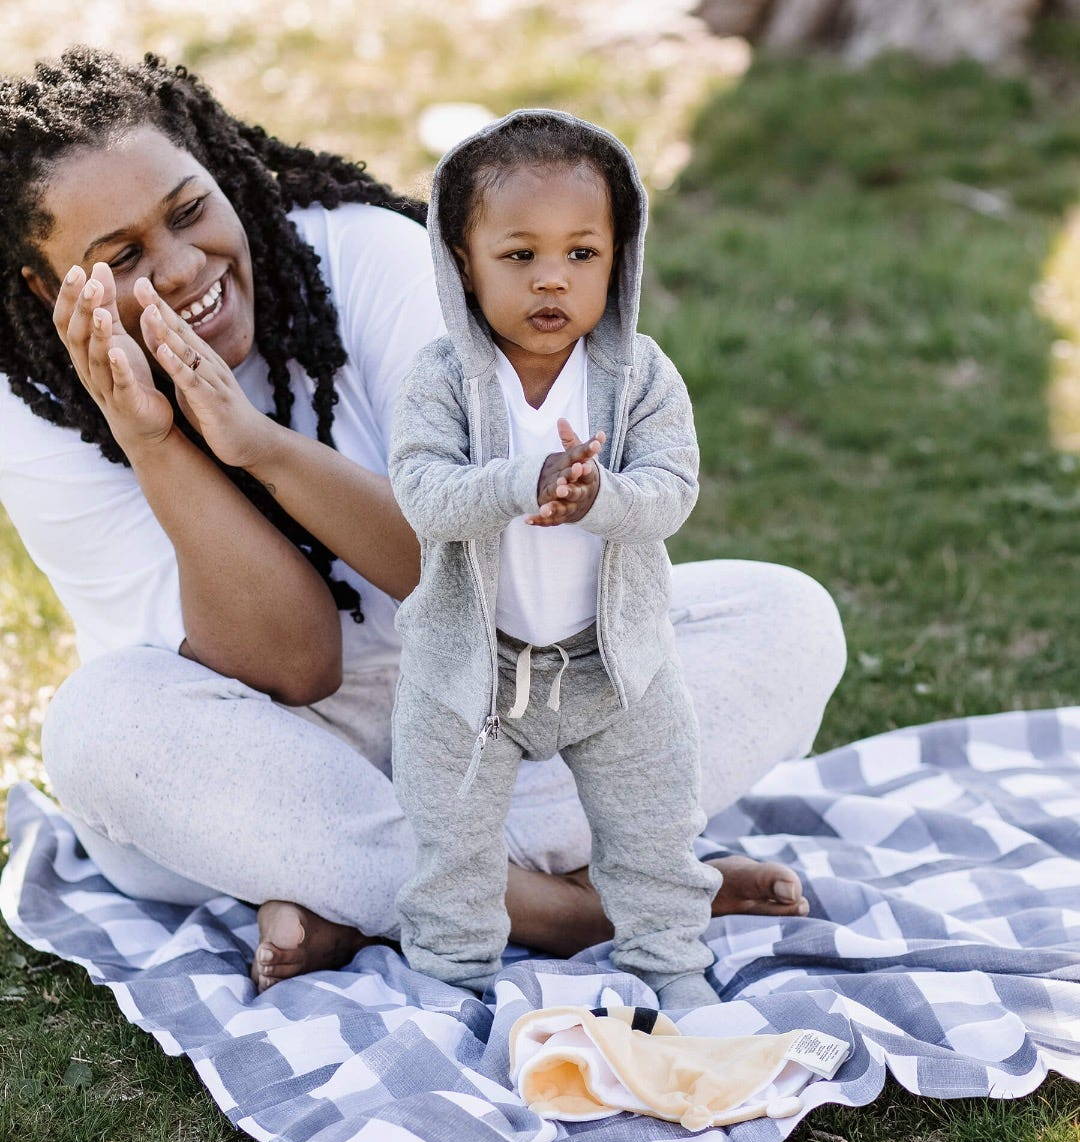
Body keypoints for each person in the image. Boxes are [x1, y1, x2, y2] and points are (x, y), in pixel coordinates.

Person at [0, 48, 846, 995]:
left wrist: (263, 448)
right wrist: (158, 446)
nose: (185, 266)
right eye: (120, 259)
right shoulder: (32, 413)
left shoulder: (371, 259)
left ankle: (358, 890)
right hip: (257, 754)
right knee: (98, 731)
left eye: (191, 210)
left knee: (786, 617)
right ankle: (566, 906)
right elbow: (294, 665)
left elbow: (495, 572)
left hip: (487, 696)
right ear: (46, 289)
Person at [389, 111, 720, 1008]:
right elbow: (423, 493)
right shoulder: (444, 379)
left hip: (611, 665)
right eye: (519, 255)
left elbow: (671, 492)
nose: (552, 279)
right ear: (464, 261)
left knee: (654, 829)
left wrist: (598, 498)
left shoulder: (640, 377)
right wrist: (519, 482)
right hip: (471, 668)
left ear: (620, 260)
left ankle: (672, 968)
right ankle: (452, 983)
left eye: (582, 255)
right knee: (451, 845)